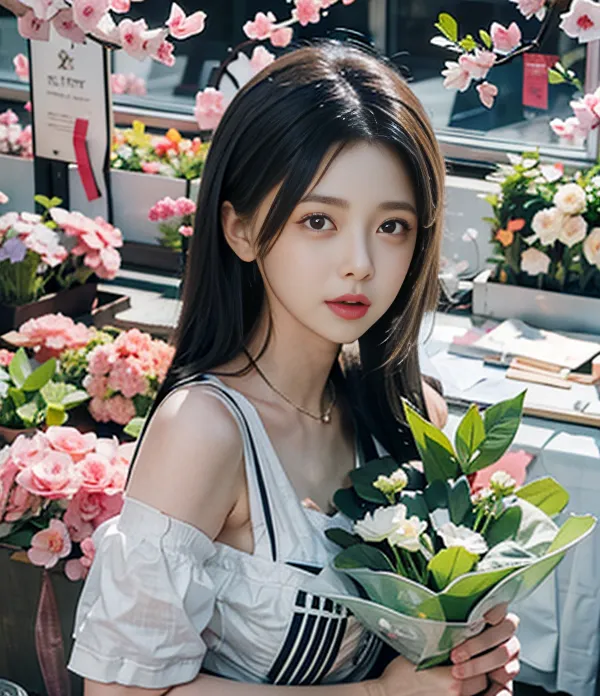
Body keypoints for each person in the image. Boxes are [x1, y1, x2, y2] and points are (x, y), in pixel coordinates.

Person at [68, 41, 520, 696]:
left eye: (392, 227)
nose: (360, 263)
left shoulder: (412, 414)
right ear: (241, 229)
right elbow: (120, 693)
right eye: (318, 221)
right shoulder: (204, 432)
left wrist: (470, 662)